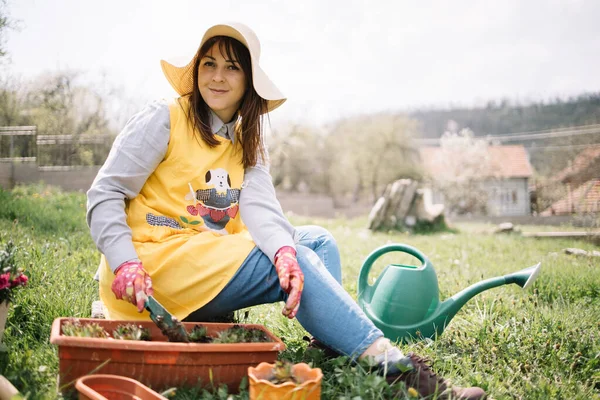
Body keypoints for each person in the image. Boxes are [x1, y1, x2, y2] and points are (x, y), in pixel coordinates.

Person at [86, 22, 486, 400]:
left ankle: (335, 341)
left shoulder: (248, 139)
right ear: (196, 72)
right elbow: (105, 193)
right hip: (152, 273)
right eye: (209, 64)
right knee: (306, 261)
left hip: (205, 263)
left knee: (314, 242)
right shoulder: (166, 117)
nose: (217, 77)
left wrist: (283, 252)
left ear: (249, 82)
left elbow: (260, 208)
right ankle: (399, 370)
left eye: (232, 67)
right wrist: (124, 263)